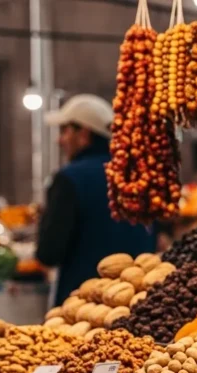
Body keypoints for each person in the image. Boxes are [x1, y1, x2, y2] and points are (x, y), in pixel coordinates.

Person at [36, 94, 157, 307]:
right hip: (137, 304)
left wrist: (43, 221)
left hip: (82, 307)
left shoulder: (69, 178)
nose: (59, 140)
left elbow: (48, 253)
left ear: (83, 134)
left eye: (64, 131)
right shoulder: (140, 176)